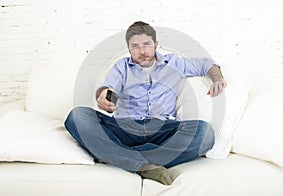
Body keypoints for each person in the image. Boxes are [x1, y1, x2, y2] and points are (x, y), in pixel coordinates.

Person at [64, 21, 227, 185]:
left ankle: (119, 156)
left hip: (163, 130)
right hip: (124, 128)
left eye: (146, 44)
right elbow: (108, 89)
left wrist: (217, 79)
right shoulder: (122, 67)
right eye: (135, 46)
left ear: (156, 44)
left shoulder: (174, 63)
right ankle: (142, 164)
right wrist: (105, 96)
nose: (142, 51)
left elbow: (207, 64)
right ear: (128, 48)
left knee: (205, 133)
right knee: (77, 116)